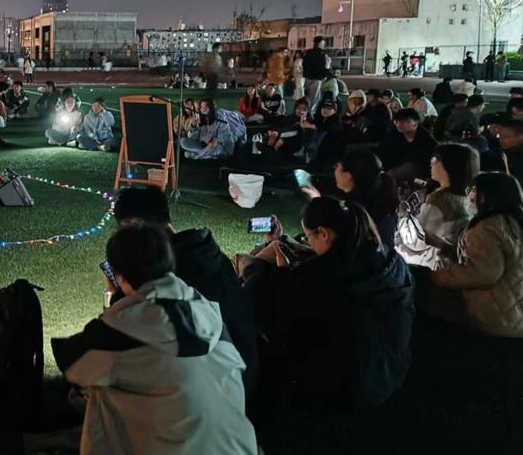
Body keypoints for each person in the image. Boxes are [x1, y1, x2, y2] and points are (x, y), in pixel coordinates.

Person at [52, 224, 258, 455]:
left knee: (99, 389)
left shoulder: (121, 328)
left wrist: (115, 305)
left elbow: (71, 363)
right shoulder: (208, 313)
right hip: (240, 449)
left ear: (119, 276)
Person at [237, 197, 414, 412]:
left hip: (344, 390)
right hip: (391, 371)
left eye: (309, 237)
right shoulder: (391, 261)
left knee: (248, 285)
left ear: (323, 233)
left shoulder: (319, 280)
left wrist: (258, 268)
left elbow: (265, 306)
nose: (308, 242)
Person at [112, 188, 259, 397]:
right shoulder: (206, 251)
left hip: (218, 390)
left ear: (136, 226)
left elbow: (126, 331)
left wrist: (120, 295)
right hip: (241, 373)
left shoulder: (170, 275)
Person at [421, 173, 523, 337]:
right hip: (516, 313)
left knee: (424, 291)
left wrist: (435, 276)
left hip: (497, 318)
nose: (470, 197)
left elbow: (482, 273)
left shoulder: (487, 227)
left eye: (475, 190)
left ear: (488, 195)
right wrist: (444, 247)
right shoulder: (514, 222)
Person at [396, 143, 479, 269]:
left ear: (450, 165)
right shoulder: (468, 196)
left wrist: (403, 214)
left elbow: (415, 242)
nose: (431, 163)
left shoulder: (440, 201)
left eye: (436, 159)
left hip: (433, 263)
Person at [303, 150, 400, 249]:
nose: (335, 171)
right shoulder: (378, 199)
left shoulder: (356, 212)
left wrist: (317, 204)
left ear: (348, 175)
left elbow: (338, 238)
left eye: (337, 166)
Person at [378, 108, 438, 185]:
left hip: (418, 170)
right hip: (395, 167)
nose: (399, 124)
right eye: (397, 121)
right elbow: (384, 153)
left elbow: (427, 161)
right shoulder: (393, 135)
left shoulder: (426, 139)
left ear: (416, 123)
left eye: (405, 121)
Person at [302, 36, 329, 108]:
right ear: (320, 43)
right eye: (323, 43)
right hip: (317, 78)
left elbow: (304, 64)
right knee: (313, 98)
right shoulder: (323, 54)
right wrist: (324, 75)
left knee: (306, 96)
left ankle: (305, 108)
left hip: (307, 77)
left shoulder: (307, 52)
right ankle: (309, 111)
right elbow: (326, 66)